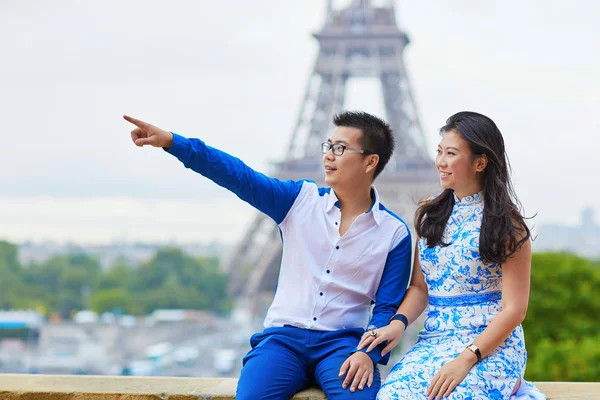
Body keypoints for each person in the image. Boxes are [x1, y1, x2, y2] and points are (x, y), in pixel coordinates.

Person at [124, 111, 413, 400]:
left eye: (340, 149)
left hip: (344, 346)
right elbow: (237, 174)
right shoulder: (298, 201)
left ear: (370, 161)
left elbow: (386, 309)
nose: (328, 156)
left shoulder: (394, 233)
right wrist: (173, 143)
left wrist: (367, 354)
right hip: (282, 342)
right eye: (328, 146)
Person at [357, 111, 545, 399]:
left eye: (451, 153)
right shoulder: (431, 216)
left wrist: (466, 358)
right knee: (392, 395)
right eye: (440, 151)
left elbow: (514, 310)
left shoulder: (508, 226)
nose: (440, 162)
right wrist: (396, 325)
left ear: (480, 162)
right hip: (434, 341)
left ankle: (511, 383)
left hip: (490, 347)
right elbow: (420, 288)